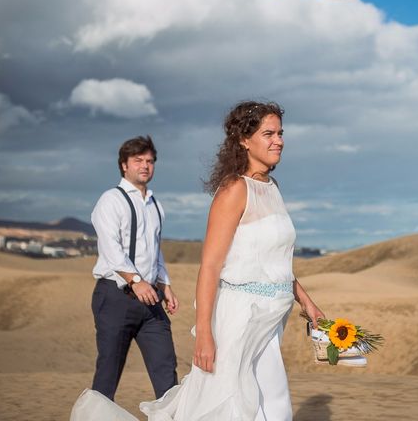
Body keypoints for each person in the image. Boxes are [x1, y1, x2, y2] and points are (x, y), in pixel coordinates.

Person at [140, 101, 324, 420]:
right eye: (268, 133)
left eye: (280, 133)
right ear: (244, 139)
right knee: (264, 409)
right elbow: (210, 266)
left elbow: (276, 263)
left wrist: (308, 304)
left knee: (265, 408)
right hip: (240, 318)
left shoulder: (272, 187)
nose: (278, 140)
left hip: (270, 320)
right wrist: (205, 334)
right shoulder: (235, 189)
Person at [90, 135, 179, 401]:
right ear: (124, 165)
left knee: (166, 370)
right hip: (116, 297)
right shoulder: (110, 200)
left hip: (150, 299)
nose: (145, 166)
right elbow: (111, 248)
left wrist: (165, 284)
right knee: (108, 371)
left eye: (150, 161)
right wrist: (135, 280)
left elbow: (154, 249)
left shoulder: (155, 204)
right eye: (138, 160)